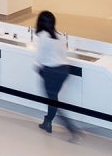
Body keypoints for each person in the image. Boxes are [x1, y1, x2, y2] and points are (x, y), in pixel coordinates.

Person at [35, 10, 82, 141]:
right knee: (53, 99)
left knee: (53, 101)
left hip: (51, 72)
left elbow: (39, 58)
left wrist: (39, 69)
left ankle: (72, 129)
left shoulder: (44, 37)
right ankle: (47, 122)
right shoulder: (60, 35)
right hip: (64, 71)